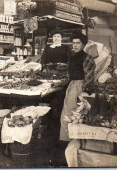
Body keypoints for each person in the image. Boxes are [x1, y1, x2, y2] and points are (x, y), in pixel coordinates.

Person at [40, 29, 72, 165]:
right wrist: (46, 66)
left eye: (58, 36)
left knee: (58, 97)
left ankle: (55, 118)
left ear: (61, 38)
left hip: (62, 75)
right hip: (49, 74)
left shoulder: (66, 48)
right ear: (52, 39)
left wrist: (61, 66)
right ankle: (48, 118)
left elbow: (69, 62)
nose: (56, 38)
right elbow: (43, 61)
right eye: (54, 37)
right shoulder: (48, 48)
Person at [60, 33, 95, 142]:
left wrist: (82, 94)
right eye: (73, 43)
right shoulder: (73, 57)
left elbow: (89, 77)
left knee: (76, 114)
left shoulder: (87, 58)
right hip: (72, 86)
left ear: (83, 44)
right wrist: (61, 82)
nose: (75, 45)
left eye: (78, 43)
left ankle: (75, 141)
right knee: (67, 114)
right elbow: (69, 74)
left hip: (80, 87)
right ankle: (67, 140)